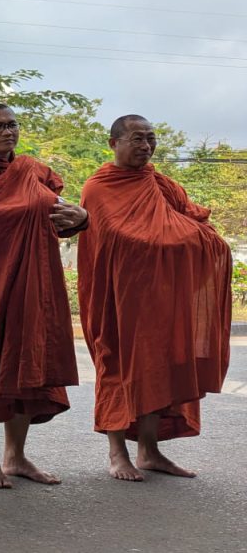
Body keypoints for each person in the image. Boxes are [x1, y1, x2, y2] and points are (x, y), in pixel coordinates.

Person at [77, 114, 230, 481]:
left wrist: (186, 240)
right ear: (114, 143)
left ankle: (149, 450)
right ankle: (117, 453)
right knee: (118, 367)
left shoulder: (163, 185)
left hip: (161, 299)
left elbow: (196, 226)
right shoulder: (99, 188)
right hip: (117, 298)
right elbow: (119, 237)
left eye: (150, 139)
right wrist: (174, 237)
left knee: (157, 369)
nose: (146, 146)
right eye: (136, 139)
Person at [0, 103, 88, 488]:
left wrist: (83, 219)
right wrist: (31, 211)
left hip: (32, 281)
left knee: (26, 363)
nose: (8, 132)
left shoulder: (32, 169)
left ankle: (16, 456)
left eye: (12, 125)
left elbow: (61, 218)